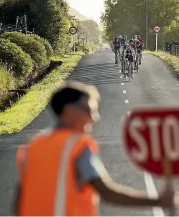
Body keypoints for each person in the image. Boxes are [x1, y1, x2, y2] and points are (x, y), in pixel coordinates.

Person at [13, 81, 176, 216]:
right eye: (89, 110)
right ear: (69, 111)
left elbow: (19, 203)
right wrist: (157, 201)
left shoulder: (32, 147)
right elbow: (107, 193)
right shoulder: (77, 147)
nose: (95, 118)